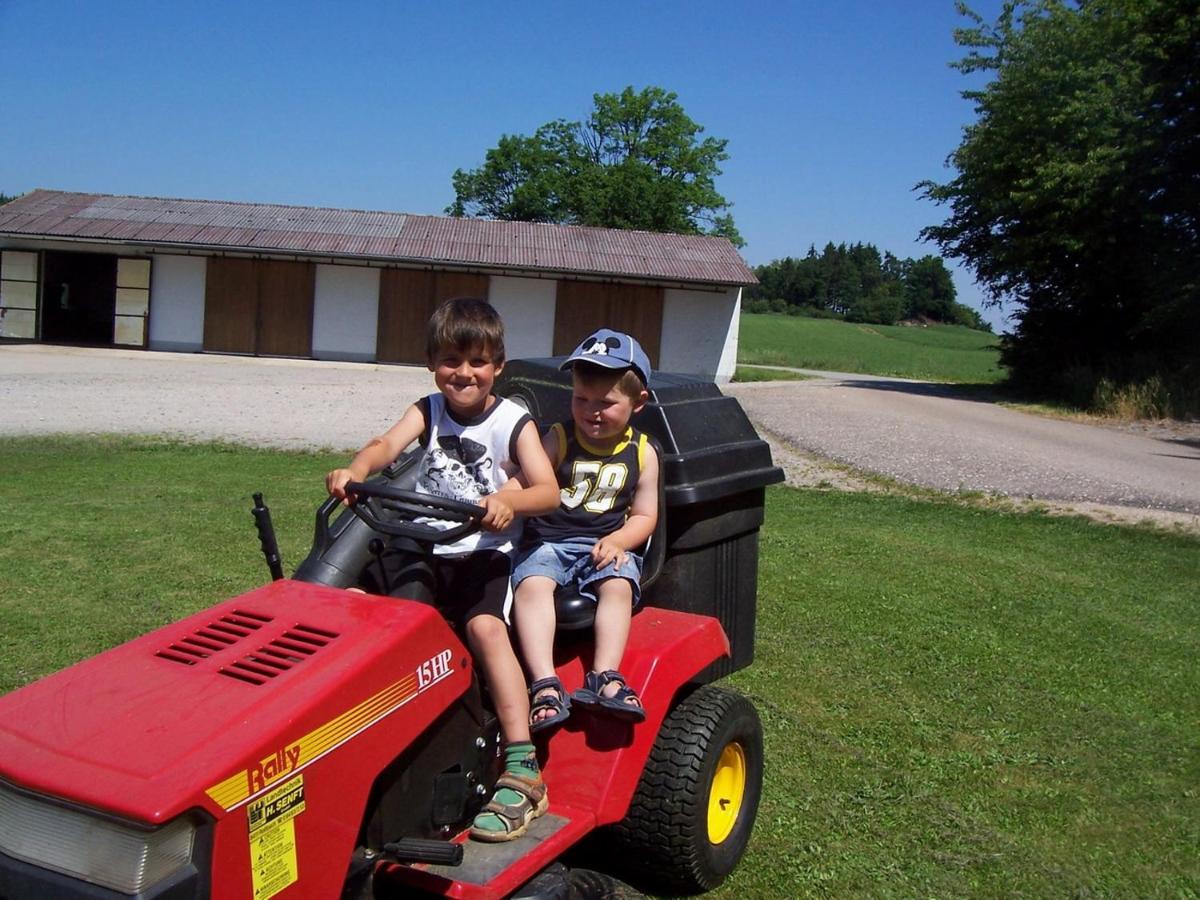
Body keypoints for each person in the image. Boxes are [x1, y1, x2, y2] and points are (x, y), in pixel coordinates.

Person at [325, 297, 560, 843]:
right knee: (389, 617)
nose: (464, 373)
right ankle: (377, 724)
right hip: (427, 543)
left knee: (483, 628)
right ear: (434, 364)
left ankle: (522, 761)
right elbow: (387, 444)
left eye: (478, 361)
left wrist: (509, 500)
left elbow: (547, 489)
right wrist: (356, 468)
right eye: (452, 360)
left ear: (498, 365)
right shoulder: (427, 409)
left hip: (482, 551)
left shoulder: (513, 421)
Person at [510, 329, 659, 733]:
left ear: (638, 402)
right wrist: (503, 497)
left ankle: (605, 676)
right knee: (532, 584)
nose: (592, 411)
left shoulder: (643, 453)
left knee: (619, 585)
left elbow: (645, 516)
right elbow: (528, 478)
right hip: (549, 542)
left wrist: (619, 541)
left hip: (604, 545)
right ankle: (544, 681)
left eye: (606, 403)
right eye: (581, 399)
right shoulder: (558, 438)